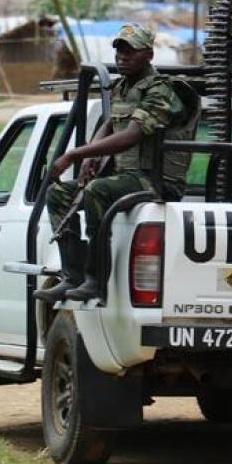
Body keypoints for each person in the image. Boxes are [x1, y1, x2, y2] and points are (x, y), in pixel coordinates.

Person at [35, 25, 200, 304]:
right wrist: (90, 156)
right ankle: (72, 276)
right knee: (59, 193)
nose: (122, 56)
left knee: (97, 190)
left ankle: (95, 280)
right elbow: (111, 123)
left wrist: (74, 154)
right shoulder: (124, 86)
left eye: (130, 51)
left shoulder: (161, 92)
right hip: (128, 178)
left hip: (157, 181)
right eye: (119, 50)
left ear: (148, 54)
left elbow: (131, 135)